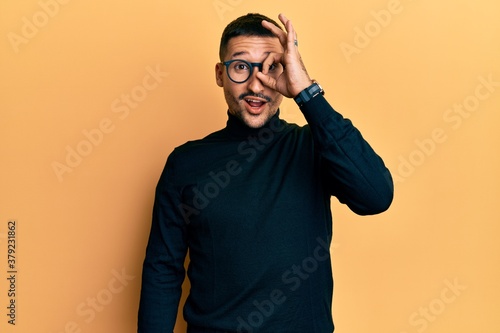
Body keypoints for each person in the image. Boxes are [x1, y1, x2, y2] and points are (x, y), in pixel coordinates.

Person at [138, 13, 393, 333]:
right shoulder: (186, 162)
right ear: (220, 73)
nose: (256, 84)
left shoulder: (313, 146)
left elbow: (376, 195)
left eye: (272, 66)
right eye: (241, 66)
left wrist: (307, 92)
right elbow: (163, 271)